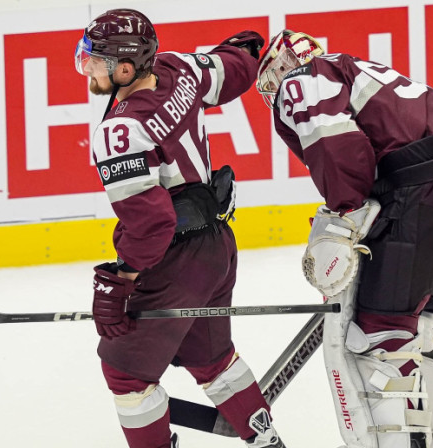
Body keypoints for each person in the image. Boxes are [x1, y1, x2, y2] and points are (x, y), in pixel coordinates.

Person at [256, 30, 433, 448]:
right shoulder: (357, 70)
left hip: (427, 186)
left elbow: (339, 148)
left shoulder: (303, 80)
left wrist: (344, 214)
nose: (273, 95)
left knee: (380, 333)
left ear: (281, 68)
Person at [75, 9, 285, 448]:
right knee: (213, 358)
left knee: (126, 374)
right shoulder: (177, 67)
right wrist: (246, 47)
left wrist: (123, 279)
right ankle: (268, 441)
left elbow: (152, 225)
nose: (86, 66)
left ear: (126, 68)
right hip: (217, 249)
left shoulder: (121, 131)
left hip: (175, 262)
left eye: (94, 59)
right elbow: (234, 69)